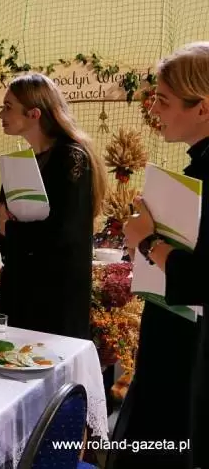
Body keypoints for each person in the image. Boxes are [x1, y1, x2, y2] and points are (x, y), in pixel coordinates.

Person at [118, 43, 209, 469]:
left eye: (164, 100)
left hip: (189, 357)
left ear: (202, 108)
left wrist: (148, 242)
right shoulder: (198, 166)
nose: (154, 110)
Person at [0, 73, 106, 340]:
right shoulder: (24, 161)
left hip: (55, 297)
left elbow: (64, 232)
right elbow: (4, 227)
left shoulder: (71, 157)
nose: (0, 114)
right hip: (21, 287)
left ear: (34, 114)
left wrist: (9, 228)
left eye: (8, 107)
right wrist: (3, 227)